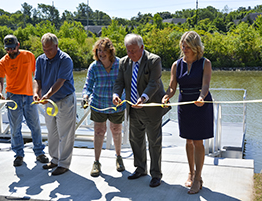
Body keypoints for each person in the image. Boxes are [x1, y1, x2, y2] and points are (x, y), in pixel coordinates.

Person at [113, 33, 170, 187]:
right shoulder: (124, 62)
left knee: (154, 141)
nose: (130, 54)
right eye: (128, 51)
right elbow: (119, 82)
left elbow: (154, 83)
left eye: (133, 50)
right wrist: (116, 94)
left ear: (142, 48)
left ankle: (156, 174)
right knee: (135, 140)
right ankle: (140, 168)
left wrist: (143, 98)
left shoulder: (154, 60)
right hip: (133, 108)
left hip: (150, 107)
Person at [161, 31, 213, 194]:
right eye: (183, 46)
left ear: (195, 47)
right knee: (188, 140)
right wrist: (166, 96)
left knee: (198, 141)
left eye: (188, 46)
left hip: (201, 103)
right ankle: (191, 173)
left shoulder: (205, 63)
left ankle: (198, 178)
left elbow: (205, 85)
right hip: (185, 104)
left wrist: (201, 97)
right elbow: (172, 87)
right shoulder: (176, 65)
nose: (184, 49)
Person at [0, 34, 49, 167]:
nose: (10, 52)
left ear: (18, 45)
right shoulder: (3, 62)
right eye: (8, 49)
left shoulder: (28, 55)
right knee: (15, 128)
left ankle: (39, 152)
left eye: (12, 48)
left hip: (30, 96)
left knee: (35, 126)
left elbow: (36, 76)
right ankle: (19, 154)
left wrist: (39, 92)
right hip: (13, 97)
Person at [33, 33, 77, 176]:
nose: (47, 52)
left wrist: (47, 95)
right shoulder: (40, 59)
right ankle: (55, 159)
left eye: (50, 49)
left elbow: (60, 81)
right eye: (44, 49)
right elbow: (37, 79)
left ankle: (64, 163)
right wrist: (36, 92)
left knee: (65, 134)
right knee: (52, 132)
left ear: (56, 46)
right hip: (49, 102)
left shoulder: (66, 60)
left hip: (64, 100)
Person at [82, 38, 126, 177]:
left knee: (116, 131)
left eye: (104, 51)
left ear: (110, 51)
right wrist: (85, 97)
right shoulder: (94, 67)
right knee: (99, 132)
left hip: (116, 105)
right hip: (98, 105)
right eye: (99, 51)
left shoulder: (120, 64)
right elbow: (87, 86)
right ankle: (96, 162)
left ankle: (119, 157)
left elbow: (126, 83)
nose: (101, 54)